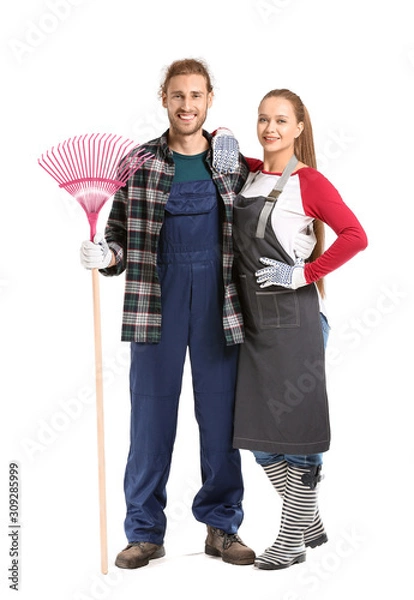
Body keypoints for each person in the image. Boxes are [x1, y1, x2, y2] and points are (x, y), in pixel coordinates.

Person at [80, 58, 257, 569]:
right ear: (164, 98)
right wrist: (107, 256)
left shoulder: (231, 164)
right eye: (177, 95)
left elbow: (261, 216)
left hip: (220, 305)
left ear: (209, 101)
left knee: (221, 420)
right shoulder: (137, 163)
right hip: (154, 303)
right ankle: (144, 533)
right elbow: (118, 237)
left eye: (196, 95)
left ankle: (222, 528)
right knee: (150, 420)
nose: (186, 105)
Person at [223, 88, 368, 570]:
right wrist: (220, 137)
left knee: (295, 433)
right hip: (253, 321)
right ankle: (307, 514)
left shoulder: (309, 181)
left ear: (299, 128)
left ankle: (291, 537)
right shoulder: (250, 174)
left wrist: (304, 273)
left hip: (294, 323)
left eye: (282, 121)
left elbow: (356, 236)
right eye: (263, 119)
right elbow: (225, 151)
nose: (270, 129)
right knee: (258, 433)